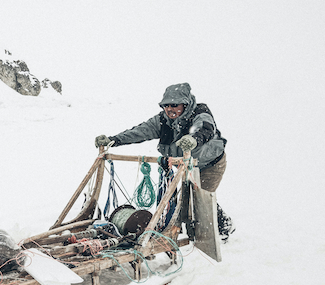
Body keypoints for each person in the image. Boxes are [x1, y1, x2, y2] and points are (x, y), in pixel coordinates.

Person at [94, 83, 234, 241]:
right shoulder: (163, 120)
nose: (169, 109)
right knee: (187, 199)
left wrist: (194, 139)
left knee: (200, 198)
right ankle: (186, 231)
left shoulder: (200, 113)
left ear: (186, 104)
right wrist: (114, 140)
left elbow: (206, 128)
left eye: (174, 105)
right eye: (166, 105)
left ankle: (223, 227)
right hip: (186, 164)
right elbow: (140, 131)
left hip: (210, 165)